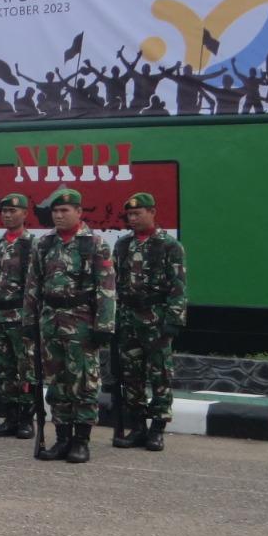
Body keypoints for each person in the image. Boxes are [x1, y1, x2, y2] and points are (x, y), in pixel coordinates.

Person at [25, 188, 116, 464]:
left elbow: (106, 288)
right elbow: (33, 284)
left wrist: (104, 325)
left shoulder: (95, 244)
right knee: (57, 384)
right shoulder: (44, 243)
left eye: (65, 210)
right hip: (50, 322)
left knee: (83, 383)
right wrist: (29, 321)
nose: (59, 215)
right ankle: (62, 438)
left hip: (81, 324)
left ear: (78, 212)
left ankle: (81, 441)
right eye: (55, 211)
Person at [111, 193, 188, 452]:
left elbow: (178, 285)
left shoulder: (169, 246)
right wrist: (112, 319)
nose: (133, 218)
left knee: (160, 375)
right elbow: (114, 284)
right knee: (131, 376)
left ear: (152, 212)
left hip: (156, 320)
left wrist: (174, 320)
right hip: (128, 319)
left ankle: (157, 428)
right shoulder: (122, 245)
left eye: (138, 213)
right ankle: (138, 428)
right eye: (130, 215)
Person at [0, 194, 36, 438]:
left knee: (26, 370)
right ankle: (10, 417)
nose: (8, 215)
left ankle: (26, 419)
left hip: (21, 318)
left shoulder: (33, 245)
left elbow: (37, 285)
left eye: (13, 211)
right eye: (5, 211)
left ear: (25, 214)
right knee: (4, 370)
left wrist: (33, 318)